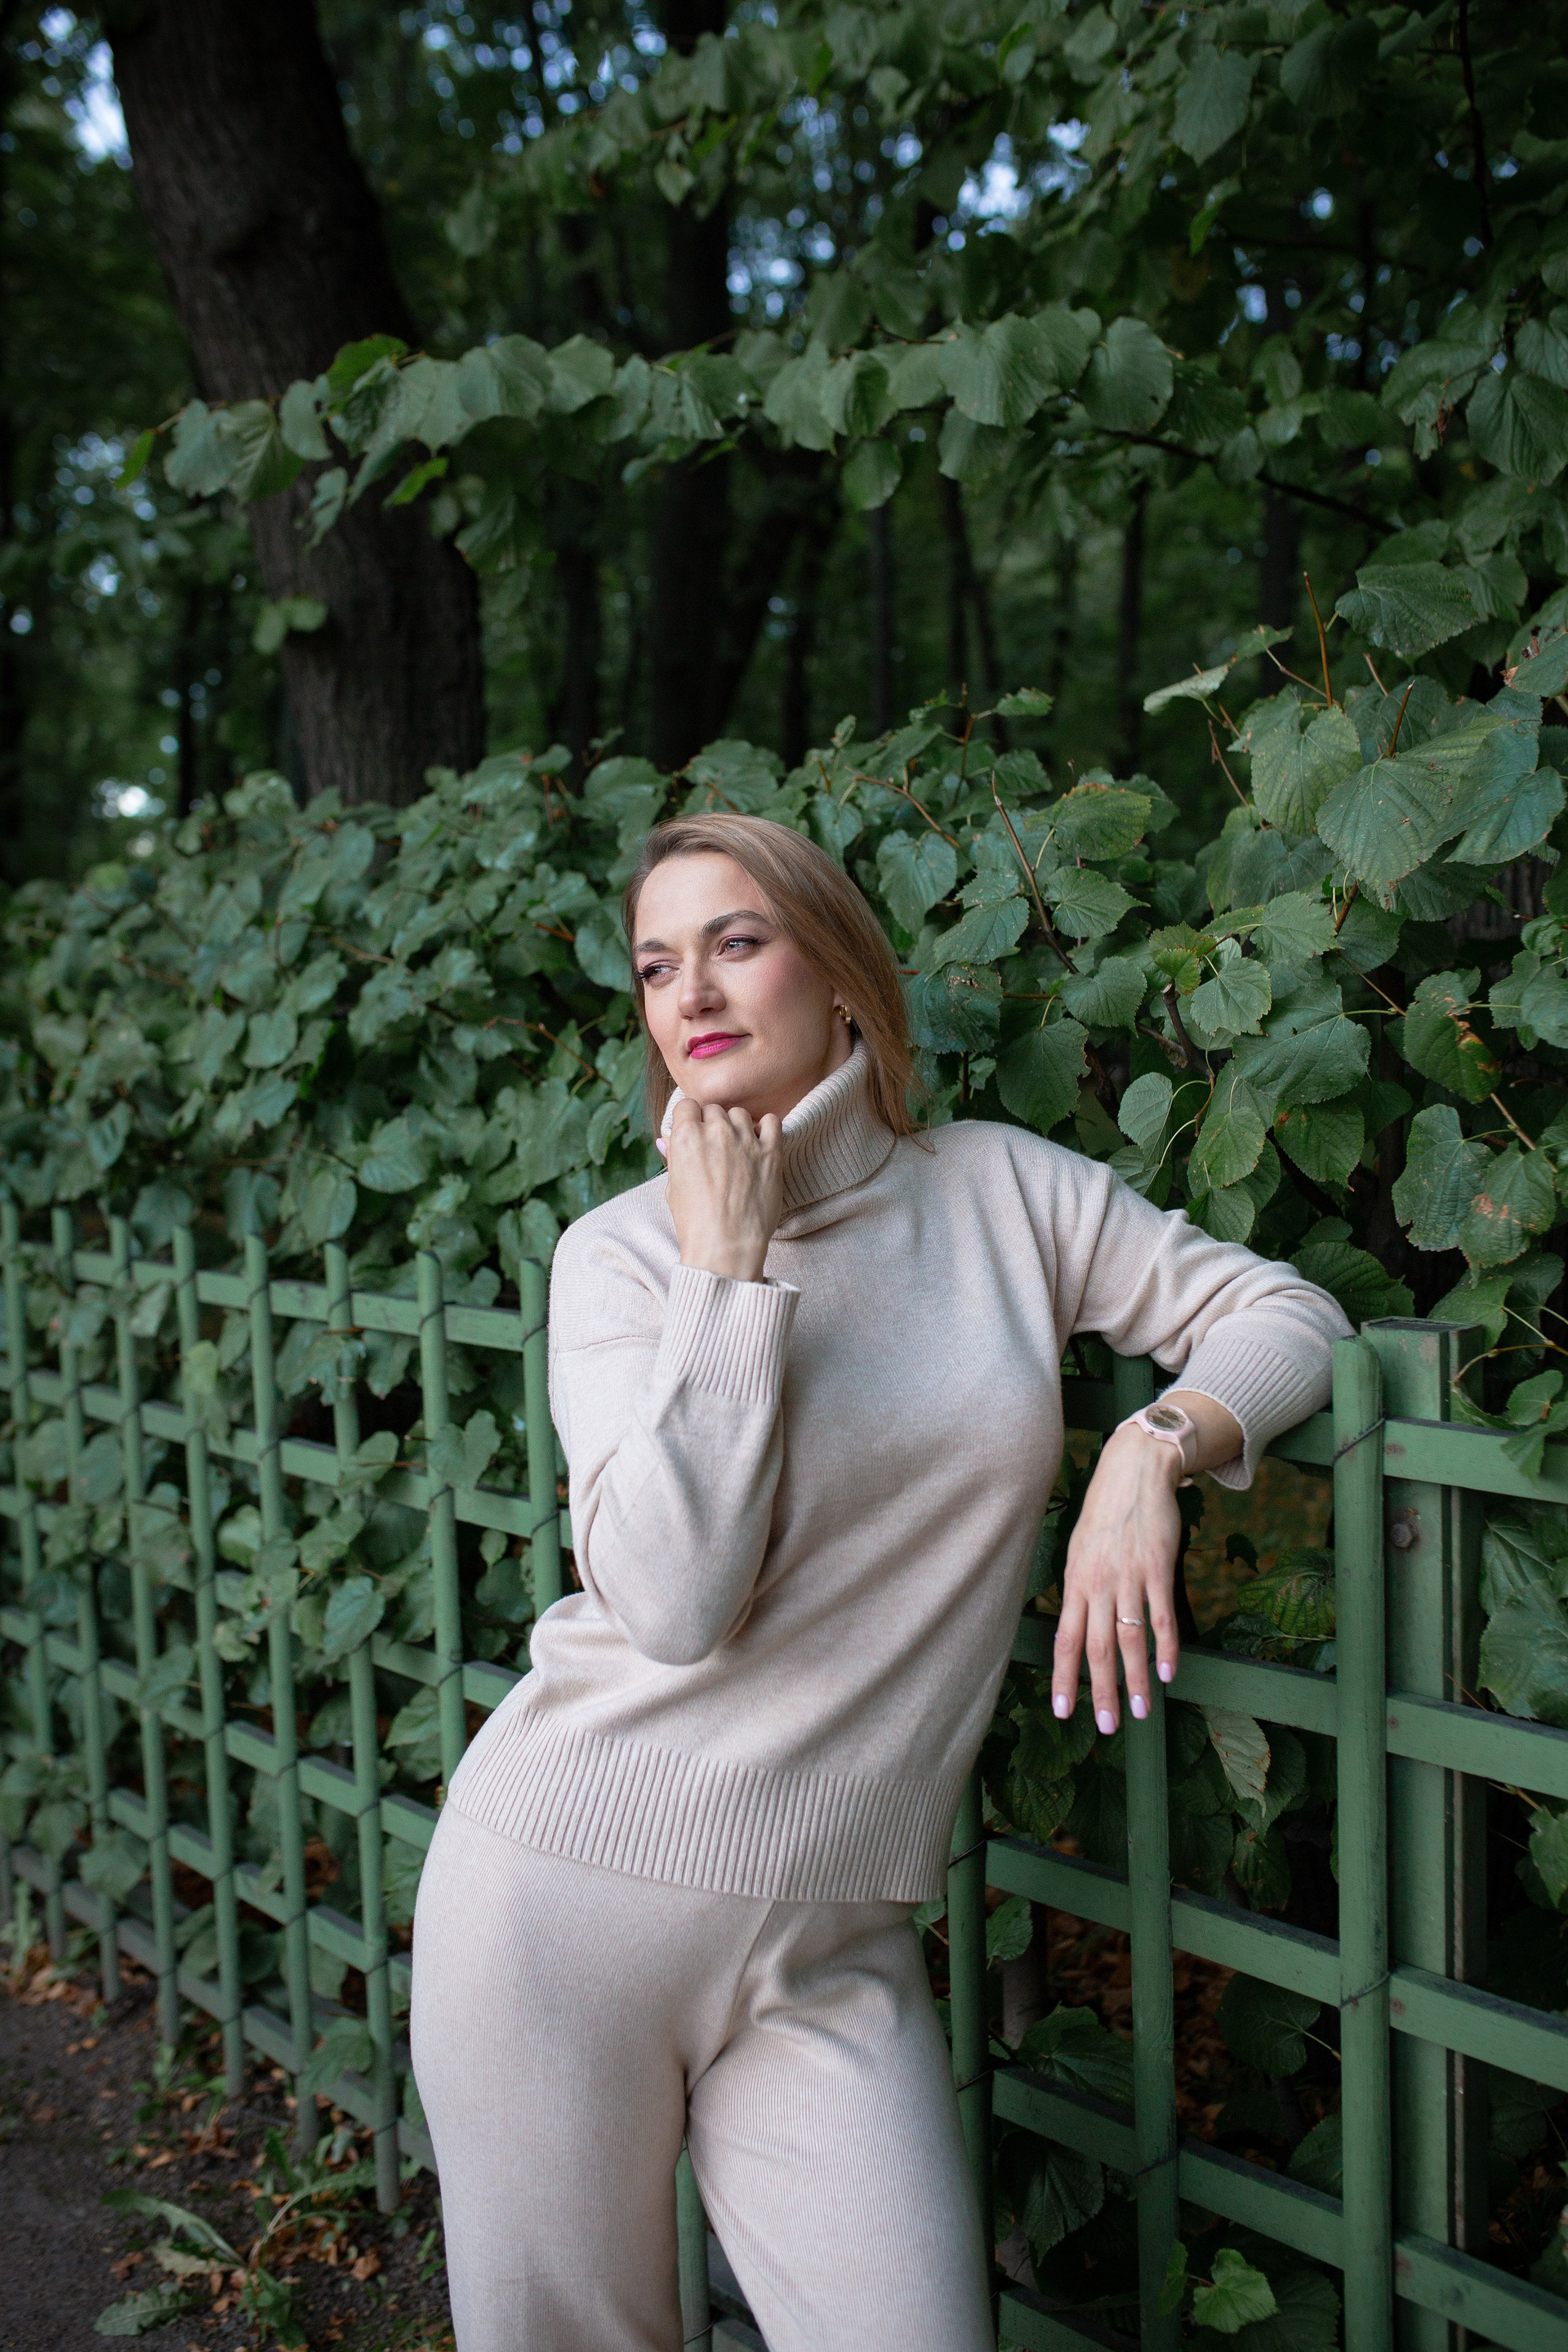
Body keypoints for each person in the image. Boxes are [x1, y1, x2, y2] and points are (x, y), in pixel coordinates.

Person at [411, 813, 1350, 2352]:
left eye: (737, 942)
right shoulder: (623, 1259)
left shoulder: (1002, 1194)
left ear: (842, 971)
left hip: (836, 1938)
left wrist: (1153, 1449)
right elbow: (672, 1604)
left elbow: (1289, 1315)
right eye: (657, 966)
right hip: (562, 1915)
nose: (692, 993)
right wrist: (727, 1272)